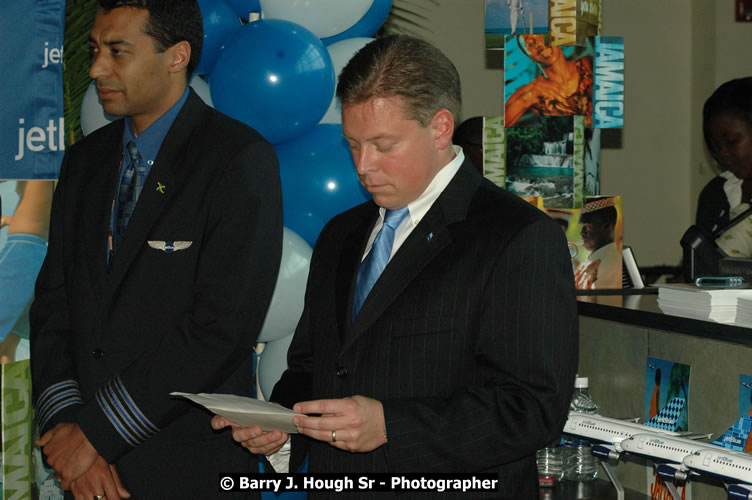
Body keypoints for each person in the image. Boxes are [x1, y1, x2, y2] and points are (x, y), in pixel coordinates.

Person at [213, 35, 578, 499]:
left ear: (440, 128)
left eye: (383, 145)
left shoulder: (516, 235)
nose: (363, 166)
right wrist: (282, 420)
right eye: (352, 144)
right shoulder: (340, 234)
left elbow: (533, 409)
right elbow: (313, 365)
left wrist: (392, 426)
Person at [30, 0, 282, 498]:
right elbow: (54, 306)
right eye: (95, 49)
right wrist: (69, 433)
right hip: (84, 473)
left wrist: (98, 434)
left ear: (177, 55)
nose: (97, 68)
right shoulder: (84, 162)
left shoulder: (236, 159)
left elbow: (220, 328)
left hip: (188, 468)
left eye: (118, 51)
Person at [695, 77, 752, 257]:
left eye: (731, 142)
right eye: (716, 146)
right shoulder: (715, 193)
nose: (723, 154)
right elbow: (701, 266)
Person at [0, 180, 53, 362]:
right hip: (37, 251)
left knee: (5, 344)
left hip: (24, 248)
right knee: (6, 344)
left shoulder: (38, 161)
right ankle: (11, 390)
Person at [504, 34, 593, 128]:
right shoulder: (533, 91)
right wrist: (529, 97)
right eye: (529, 44)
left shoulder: (589, 64)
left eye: (539, 36)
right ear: (530, 58)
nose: (537, 44)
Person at [573, 197, 621, 289]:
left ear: (607, 225)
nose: (582, 233)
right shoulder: (590, 262)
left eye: (587, 226)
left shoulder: (611, 264)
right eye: (582, 226)